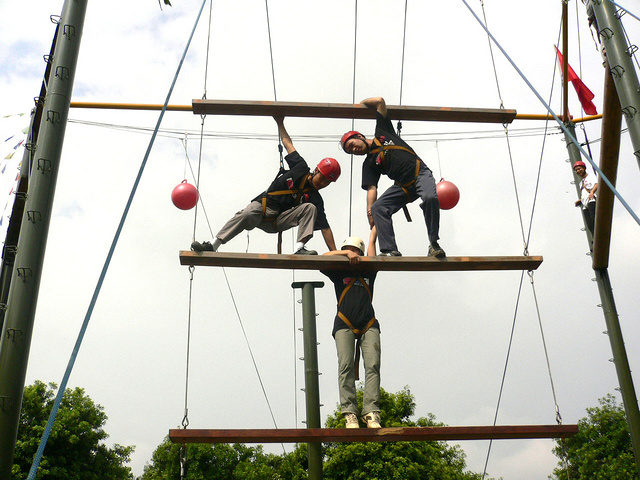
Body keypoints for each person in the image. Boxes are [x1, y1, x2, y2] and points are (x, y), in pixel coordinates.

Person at [192, 117, 340, 255]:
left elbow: (325, 229)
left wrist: (335, 254)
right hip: (262, 209)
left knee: (310, 208)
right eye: (323, 178)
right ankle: (213, 245)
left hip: (278, 221)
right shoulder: (300, 167)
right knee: (248, 213)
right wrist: (280, 122)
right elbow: (288, 143)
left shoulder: (315, 199)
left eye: (327, 182)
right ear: (316, 170)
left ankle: (299, 249)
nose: (323, 183)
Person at [340, 96, 445, 258]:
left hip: (420, 173)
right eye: (350, 151)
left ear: (359, 136)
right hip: (404, 186)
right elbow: (371, 188)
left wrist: (361, 105)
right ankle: (390, 250)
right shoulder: (369, 163)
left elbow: (380, 101)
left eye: (352, 145)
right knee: (378, 208)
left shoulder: (383, 132)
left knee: (430, 197)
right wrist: (370, 211)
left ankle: (434, 244)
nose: (354, 150)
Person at [321, 229, 381, 429]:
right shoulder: (338, 271)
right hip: (344, 322)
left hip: (368, 323)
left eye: (354, 251)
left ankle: (371, 412)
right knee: (345, 366)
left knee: (372, 366)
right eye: (348, 251)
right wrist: (345, 254)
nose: (351, 254)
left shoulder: (369, 269)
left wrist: (374, 231)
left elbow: (372, 249)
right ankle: (350, 413)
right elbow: (324, 257)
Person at [573, 160, 598, 236]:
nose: (578, 171)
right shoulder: (581, 183)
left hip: (591, 200)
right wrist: (580, 201)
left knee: (595, 221)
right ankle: (595, 240)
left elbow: (596, 184)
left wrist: (592, 192)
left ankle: (599, 236)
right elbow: (584, 194)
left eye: (580, 168)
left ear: (584, 168)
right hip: (585, 204)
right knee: (590, 225)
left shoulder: (590, 175)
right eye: (576, 170)